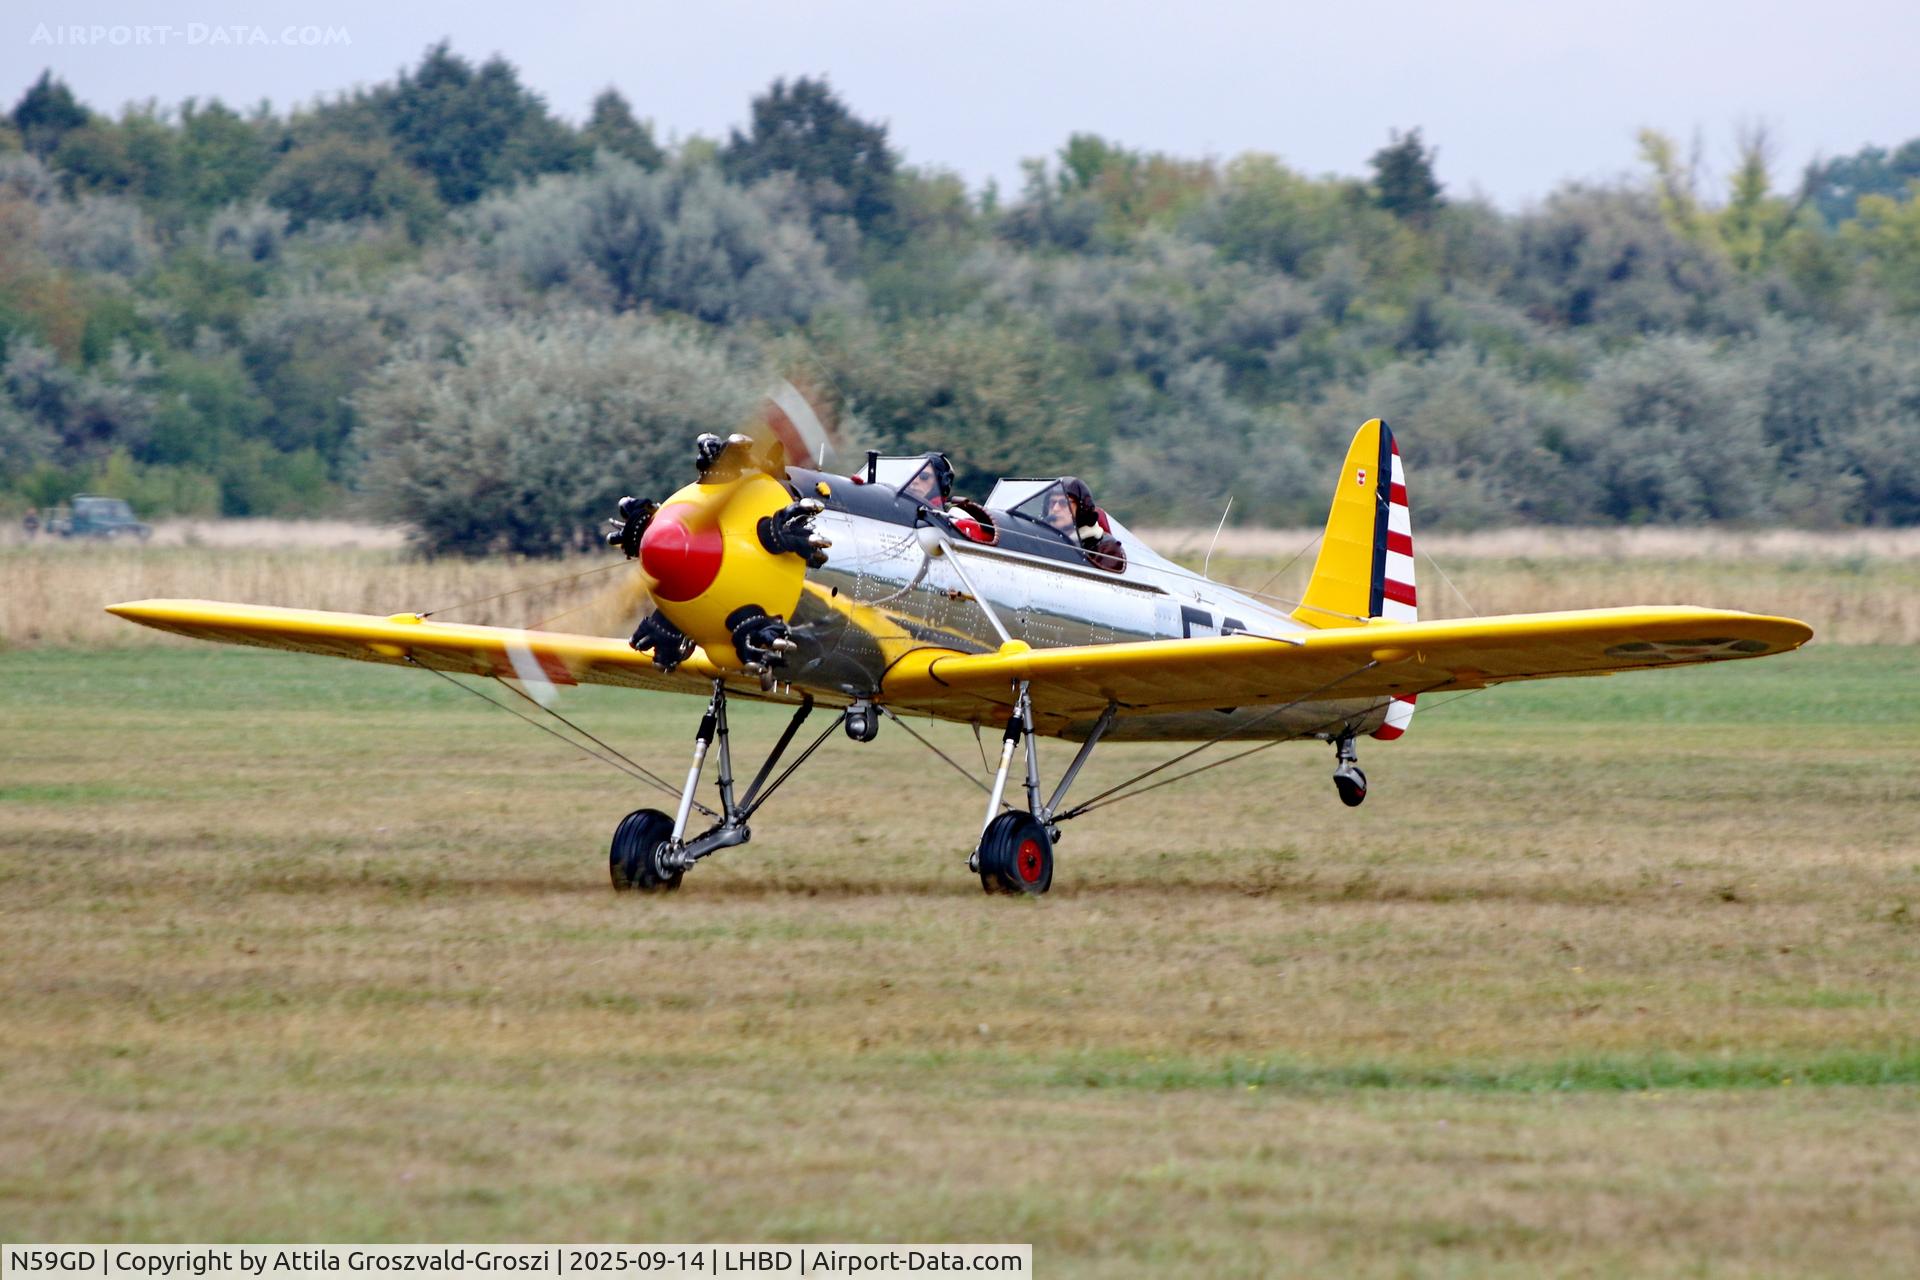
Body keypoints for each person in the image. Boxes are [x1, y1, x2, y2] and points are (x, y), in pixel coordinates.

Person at [903, 452, 995, 545]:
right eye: (913, 475)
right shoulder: (904, 510)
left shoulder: (960, 520)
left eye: (924, 476)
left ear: (942, 482)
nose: (914, 481)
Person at [1045, 477, 1127, 572]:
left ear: (1081, 509)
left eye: (1063, 503)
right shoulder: (1043, 539)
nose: (1055, 509)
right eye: (1052, 503)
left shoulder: (1106, 548)